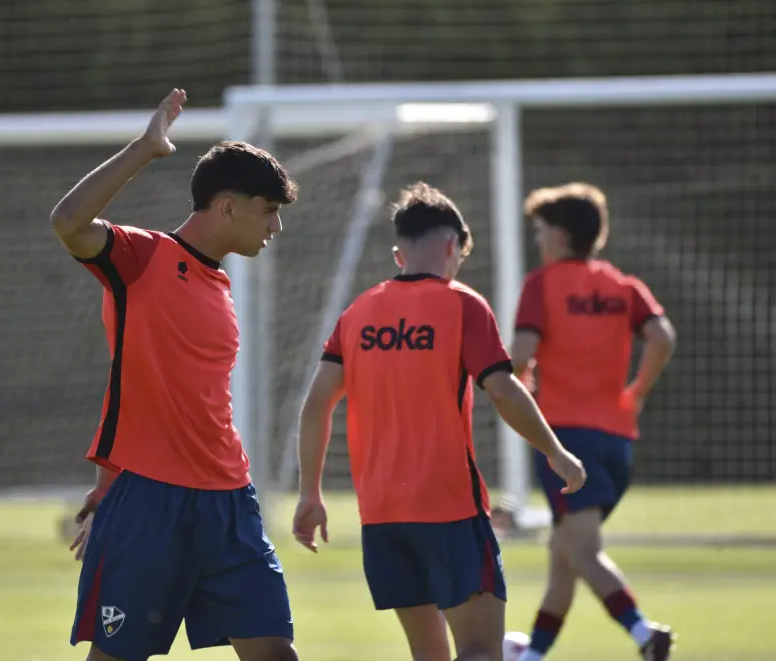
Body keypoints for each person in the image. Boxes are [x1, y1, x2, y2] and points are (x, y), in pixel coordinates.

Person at [51, 89, 301, 661]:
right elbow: (68, 221)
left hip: (229, 500)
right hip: (151, 504)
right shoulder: (143, 259)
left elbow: (177, 399)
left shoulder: (219, 286)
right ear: (230, 207)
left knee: (275, 652)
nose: (276, 226)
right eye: (269, 210)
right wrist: (144, 149)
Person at [291, 182, 587, 661]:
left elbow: (317, 403)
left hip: (383, 517)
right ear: (453, 246)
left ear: (398, 253)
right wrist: (556, 451)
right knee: (479, 649)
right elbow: (505, 389)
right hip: (448, 509)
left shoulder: (358, 313)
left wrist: (310, 493)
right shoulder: (462, 304)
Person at [509, 183, 678, 661]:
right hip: (618, 442)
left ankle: (646, 636)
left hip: (565, 442)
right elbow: (662, 336)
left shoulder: (541, 285)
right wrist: (637, 392)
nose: (538, 241)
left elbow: (520, 356)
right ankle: (533, 655)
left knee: (581, 553)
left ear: (560, 236)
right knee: (564, 557)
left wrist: (512, 390)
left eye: (541, 232)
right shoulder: (622, 285)